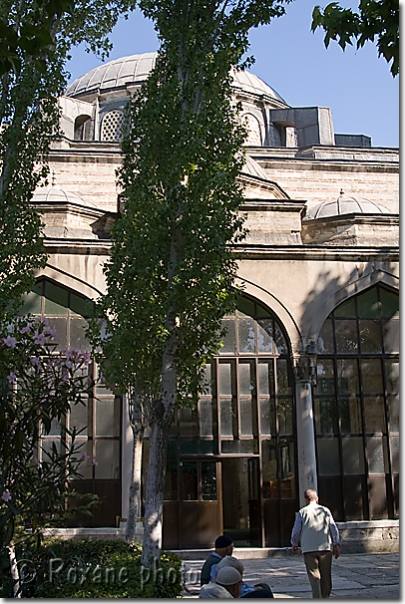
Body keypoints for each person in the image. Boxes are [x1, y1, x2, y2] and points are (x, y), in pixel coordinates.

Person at [290, 488, 341, 598]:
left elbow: (296, 530)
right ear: (316, 499)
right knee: (326, 575)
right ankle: (325, 596)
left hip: (309, 548)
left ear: (306, 500)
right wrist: (336, 544)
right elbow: (333, 528)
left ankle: (317, 597)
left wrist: (294, 543)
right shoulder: (325, 510)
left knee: (314, 576)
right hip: (325, 547)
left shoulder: (302, 512)